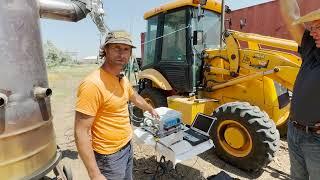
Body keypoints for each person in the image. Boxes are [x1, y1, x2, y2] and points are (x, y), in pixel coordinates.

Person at [74, 30, 159, 180]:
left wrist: (150, 108)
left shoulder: (121, 77)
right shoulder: (92, 84)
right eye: (116, 48)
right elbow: (81, 132)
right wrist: (95, 174)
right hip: (108, 156)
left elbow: (134, 97)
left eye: (126, 49)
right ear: (105, 50)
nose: (122, 53)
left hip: (126, 146)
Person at [280, 1, 320, 179]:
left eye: (319, 27)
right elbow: (292, 17)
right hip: (294, 131)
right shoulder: (312, 49)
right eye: (313, 27)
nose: (313, 31)